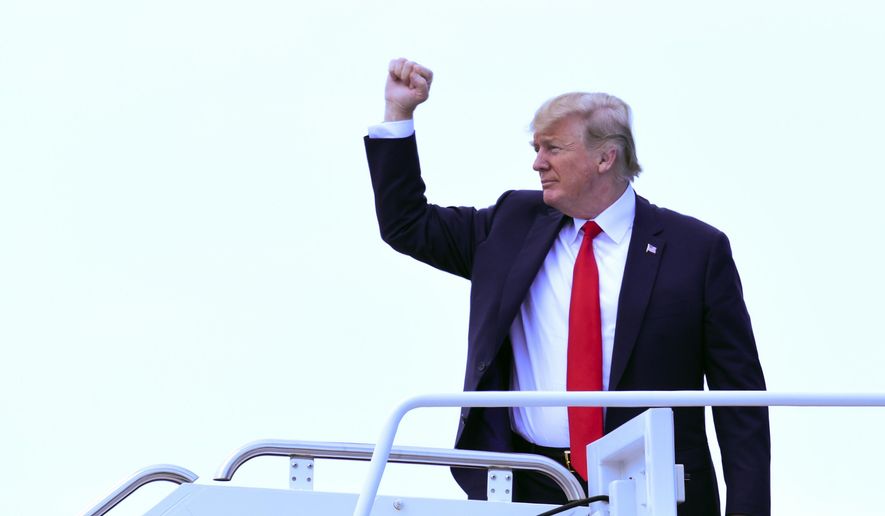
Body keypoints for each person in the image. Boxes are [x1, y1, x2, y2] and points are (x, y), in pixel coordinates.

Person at [364, 58, 770, 516]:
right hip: (527, 485)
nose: (537, 163)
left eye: (552, 148)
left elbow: (742, 404)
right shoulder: (510, 225)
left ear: (604, 157)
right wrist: (398, 114)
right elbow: (407, 224)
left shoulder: (697, 250)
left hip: (652, 490)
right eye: (537, 148)